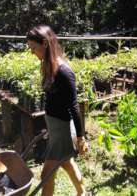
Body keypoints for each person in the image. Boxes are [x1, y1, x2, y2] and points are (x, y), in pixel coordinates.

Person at [26, 25, 88, 196]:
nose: (32, 52)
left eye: (34, 48)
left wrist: (81, 138)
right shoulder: (48, 66)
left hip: (62, 127)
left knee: (46, 174)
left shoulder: (64, 72)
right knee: (66, 162)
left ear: (45, 43)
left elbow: (74, 106)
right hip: (55, 125)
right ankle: (82, 192)